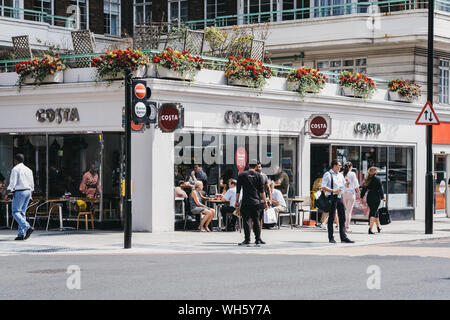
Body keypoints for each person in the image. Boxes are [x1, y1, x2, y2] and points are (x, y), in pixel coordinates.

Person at [235, 160, 268, 246]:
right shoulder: (259, 176)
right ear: (256, 166)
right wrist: (265, 202)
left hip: (246, 201)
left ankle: (247, 239)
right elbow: (262, 191)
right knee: (256, 220)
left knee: (246, 220)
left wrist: (237, 201)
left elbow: (238, 190)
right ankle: (257, 239)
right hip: (256, 202)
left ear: (248, 165)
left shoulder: (242, 175)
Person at [321, 159, 354, 244]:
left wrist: (347, 184)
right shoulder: (328, 174)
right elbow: (323, 186)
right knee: (331, 218)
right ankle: (331, 237)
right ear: (334, 166)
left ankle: (343, 237)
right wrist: (333, 191)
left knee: (342, 217)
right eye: (339, 165)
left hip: (340, 197)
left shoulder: (340, 175)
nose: (340, 167)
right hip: (332, 197)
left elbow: (343, 186)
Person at [3, 154, 34, 241]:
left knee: (15, 212)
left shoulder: (15, 169)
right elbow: (32, 184)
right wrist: (31, 194)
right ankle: (20, 234)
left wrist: (6, 193)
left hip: (20, 192)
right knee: (22, 213)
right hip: (28, 191)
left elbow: (12, 183)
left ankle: (27, 227)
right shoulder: (28, 170)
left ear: (15, 160)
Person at [361, 167, 386, 234]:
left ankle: (378, 227)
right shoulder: (378, 179)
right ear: (375, 172)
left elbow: (364, 189)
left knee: (375, 211)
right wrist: (382, 197)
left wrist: (361, 197)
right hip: (376, 197)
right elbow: (381, 189)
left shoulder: (367, 179)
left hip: (369, 197)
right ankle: (370, 229)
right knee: (373, 212)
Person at [342, 161, 360, 233]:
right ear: (350, 167)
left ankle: (343, 226)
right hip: (351, 193)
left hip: (344, 193)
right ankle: (347, 227)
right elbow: (356, 185)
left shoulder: (341, 174)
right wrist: (358, 193)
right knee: (349, 211)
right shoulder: (352, 174)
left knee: (346, 211)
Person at [256, 161, 273, 229]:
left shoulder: (264, 176)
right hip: (252, 199)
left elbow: (268, 188)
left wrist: (270, 199)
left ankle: (258, 236)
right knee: (252, 218)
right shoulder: (250, 175)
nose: (259, 168)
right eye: (257, 167)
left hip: (261, 200)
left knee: (260, 218)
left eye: (260, 167)